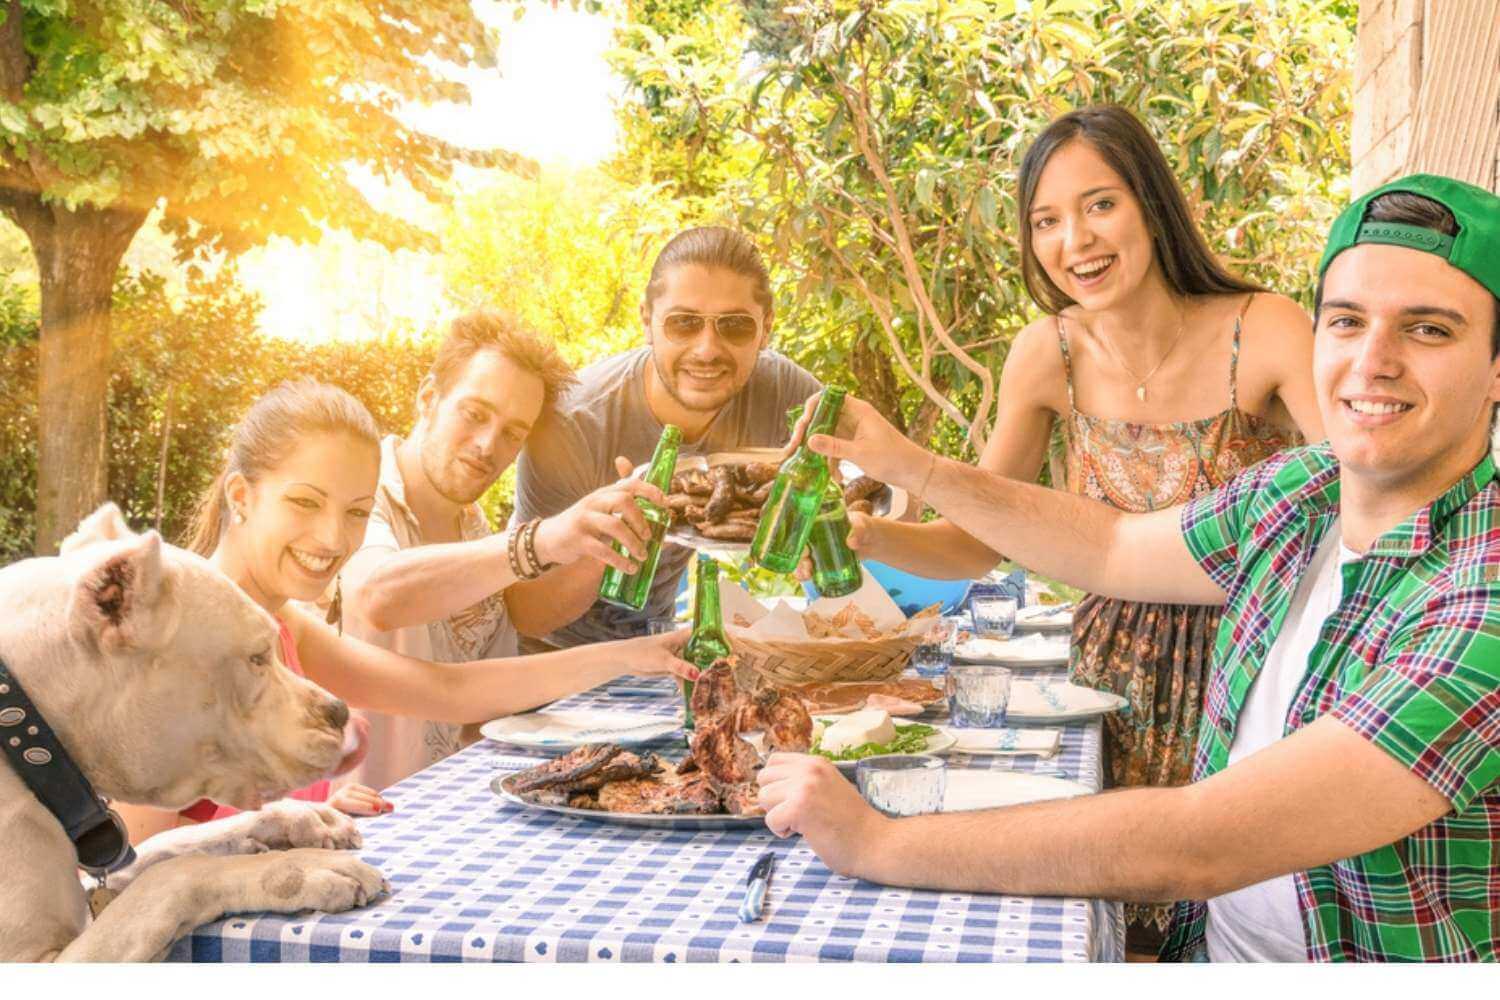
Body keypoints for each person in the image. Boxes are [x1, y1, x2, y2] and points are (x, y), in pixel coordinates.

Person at [763, 174, 1500, 962]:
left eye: (1428, 330)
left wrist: (877, 843)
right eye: (1347, 322)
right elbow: (1112, 545)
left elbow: (1196, 845)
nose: (1372, 361)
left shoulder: (1481, 594)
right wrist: (912, 468)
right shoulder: (1304, 493)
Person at [803, 106, 1323, 954]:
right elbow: (978, 541)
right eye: (1046, 220)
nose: (1073, 238)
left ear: (1151, 204)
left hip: (1251, 668)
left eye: (1100, 204)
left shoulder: (1262, 329)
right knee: (1110, 920)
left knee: (1243, 913)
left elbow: (1353, 487)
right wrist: (871, 536)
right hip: (1104, 686)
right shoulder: (1047, 354)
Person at [115, 379, 695, 842]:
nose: (330, 537)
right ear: (242, 496)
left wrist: (636, 654)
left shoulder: (281, 624)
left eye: (355, 512)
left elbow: (449, 692)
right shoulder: (168, 639)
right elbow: (127, 866)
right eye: (304, 502)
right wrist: (283, 824)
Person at [337, 311, 674, 790]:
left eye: (513, 433)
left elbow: (527, 617)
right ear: (428, 398)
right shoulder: (357, 493)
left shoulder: (470, 523)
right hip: (367, 820)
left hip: (460, 807)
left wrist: (606, 536)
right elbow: (379, 596)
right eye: (475, 414)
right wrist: (545, 538)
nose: (487, 445)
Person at [508, 226, 821, 649]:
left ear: (766, 328)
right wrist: (605, 541)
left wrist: (828, 523)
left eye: (735, 326)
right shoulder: (573, 423)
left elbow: (891, 494)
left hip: (654, 642)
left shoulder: (785, 393)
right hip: (547, 655)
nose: (707, 349)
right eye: (683, 323)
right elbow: (527, 615)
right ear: (646, 321)